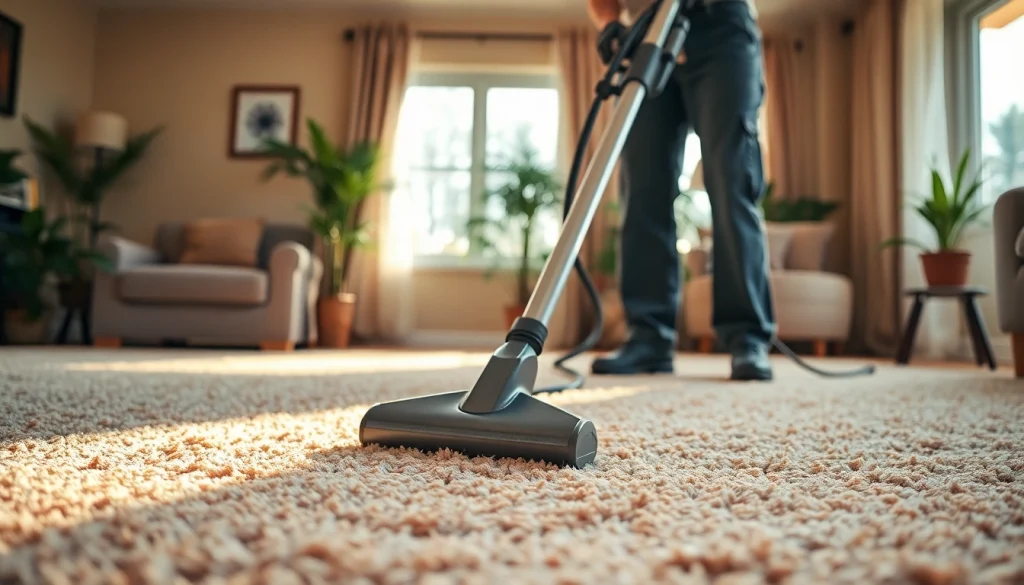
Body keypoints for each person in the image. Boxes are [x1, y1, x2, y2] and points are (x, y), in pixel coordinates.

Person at [587, 0, 777, 381]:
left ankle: (746, 338)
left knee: (731, 182)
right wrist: (609, 22)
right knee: (642, 189)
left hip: (721, 28)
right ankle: (648, 337)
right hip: (647, 33)